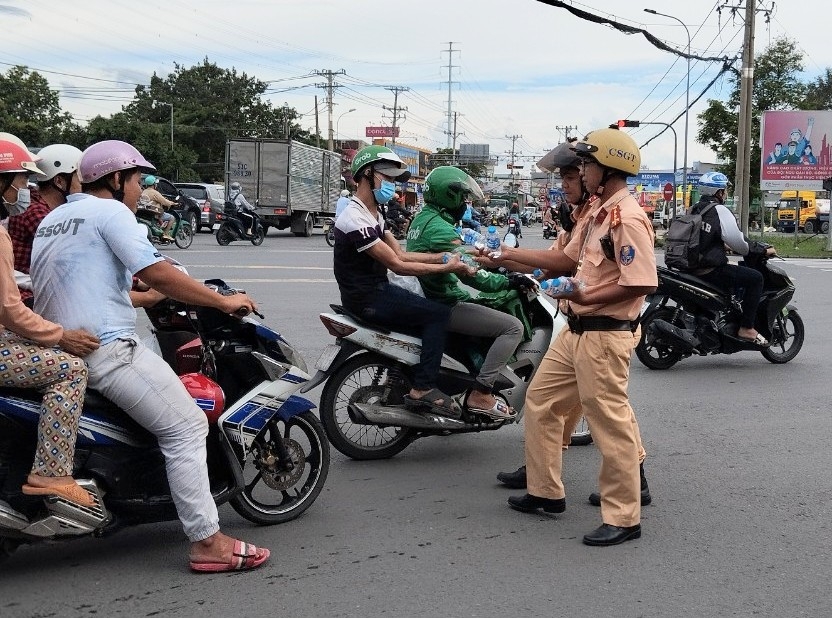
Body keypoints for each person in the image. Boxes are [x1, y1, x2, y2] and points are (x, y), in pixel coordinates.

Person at [31, 139, 269, 572]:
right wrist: (224, 302)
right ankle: (207, 541)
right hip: (105, 350)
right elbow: (156, 271)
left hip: (57, 346)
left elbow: (99, 282)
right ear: (117, 179)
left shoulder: (57, 218)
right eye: (139, 180)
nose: (142, 190)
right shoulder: (111, 212)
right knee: (186, 426)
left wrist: (149, 293)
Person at [482, 127, 657, 546]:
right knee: (541, 401)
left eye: (587, 165)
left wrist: (585, 293)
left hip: (603, 334)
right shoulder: (598, 212)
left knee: (608, 424)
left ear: (607, 168)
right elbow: (563, 258)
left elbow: (641, 282)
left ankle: (624, 518)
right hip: (575, 331)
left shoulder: (627, 217)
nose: (582, 172)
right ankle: (545, 492)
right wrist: (505, 255)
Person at [333, 145, 473, 418]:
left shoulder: (375, 214)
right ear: (366, 174)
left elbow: (401, 253)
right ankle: (423, 388)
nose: (391, 184)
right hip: (367, 298)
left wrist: (444, 258)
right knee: (438, 315)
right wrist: (446, 267)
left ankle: (413, 377)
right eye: (385, 176)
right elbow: (397, 265)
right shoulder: (355, 218)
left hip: (376, 290)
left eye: (393, 179)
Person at [0, 138, 100, 508]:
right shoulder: (27, 222)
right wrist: (60, 337)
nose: (22, 187)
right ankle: (51, 471)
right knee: (71, 370)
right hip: (17, 323)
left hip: (22, 317)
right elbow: (9, 308)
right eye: (16, 179)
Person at [406, 166, 524, 419]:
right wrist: (506, 282)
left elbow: (468, 256)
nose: (466, 203)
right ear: (449, 196)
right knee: (513, 327)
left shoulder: (422, 219)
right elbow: (471, 273)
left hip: (428, 297)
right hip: (444, 301)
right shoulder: (439, 227)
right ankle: (482, 392)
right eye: (462, 197)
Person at [686, 171, 776, 345]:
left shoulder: (694, 209)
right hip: (709, 270)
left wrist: (721, 246)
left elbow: (701, 239)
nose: (725, 193)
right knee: (755, 278)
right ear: (719, 192)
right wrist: (761, 250)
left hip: (690, 267)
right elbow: (739, 243)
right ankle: (747, 327)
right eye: (724, 190)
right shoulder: (719, 210)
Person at [9, 144, 83, 275]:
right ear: (59, 181)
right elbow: (73, 253)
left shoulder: (45, 206)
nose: (84, 184)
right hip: (26, 291)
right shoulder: (35, 212)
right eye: (80, 178)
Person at [140, 175, 176, 241]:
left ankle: (161, 228)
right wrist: (173, 203)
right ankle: (165, 234)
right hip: (154, 213)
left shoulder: (143, 192)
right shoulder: (155, 193)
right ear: (154, 184)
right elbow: (165, 202)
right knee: (172, 218)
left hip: (144, 212)